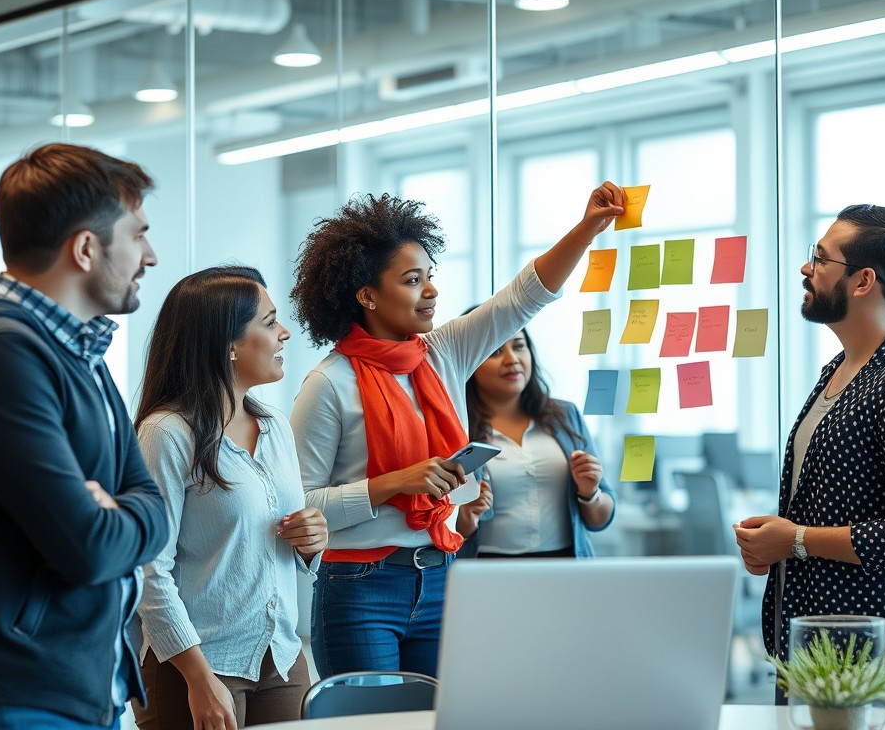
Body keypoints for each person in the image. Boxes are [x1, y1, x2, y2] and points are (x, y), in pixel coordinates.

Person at [288, 183, 624, 678]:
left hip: (443, 577)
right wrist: (397, 482)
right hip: (360, 587)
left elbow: (523, 297)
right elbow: (302, 510)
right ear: (367, 295)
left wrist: (586, 230)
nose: (431, 291)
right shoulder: (328, 383)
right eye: (411, 280)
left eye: (430, 276)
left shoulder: (442, 354)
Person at [0, 143, 169, 728]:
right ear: (86, 249)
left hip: (67, 683)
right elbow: (88, 546)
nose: (150, 256)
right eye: (137, 235)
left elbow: (151, 505)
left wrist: (122, 510)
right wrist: (119, 514)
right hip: (1, 689)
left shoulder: (80, 353)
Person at [733, 204, 885, 710]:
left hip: (869, 659)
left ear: (862, 281)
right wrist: (781, 539)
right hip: (812, 648)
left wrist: (793, 541)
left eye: (819, 258)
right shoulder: (841, 368)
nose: (805, 269)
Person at [132, 266, 329, 730]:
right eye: (269, 321)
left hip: (280, 656)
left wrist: (311, 540)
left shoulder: (276, 426)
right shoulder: (165, 434)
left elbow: (285, 544)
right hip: (196, 662)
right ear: (229, 344)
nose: (284, 334)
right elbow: (147, 568)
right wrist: (198, 679)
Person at [454, 325, 615, 558]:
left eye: (519, 346)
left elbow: (600, 520)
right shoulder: (457, 427)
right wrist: (465, 519)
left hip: (565, 566)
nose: (512, 359)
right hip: (489, 570)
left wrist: (590, 493)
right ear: (470, 360)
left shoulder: (565, 415)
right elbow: (440, 526)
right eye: (494, 351)